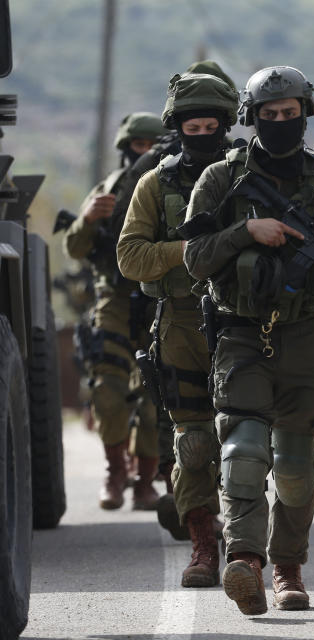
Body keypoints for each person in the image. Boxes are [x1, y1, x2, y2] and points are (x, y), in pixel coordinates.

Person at [181, 65, 314, 615]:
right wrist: (247, 231)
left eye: (290, 115)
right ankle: (245, 561)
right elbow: (194, 258)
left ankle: (289, 566)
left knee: (294, 465)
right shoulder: (220, 179)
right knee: (242, 451)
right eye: (270, 116)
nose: (282, 123)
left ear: (304, 115)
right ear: (252, 118)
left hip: (306, 335)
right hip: (240, 333)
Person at [118, 72, 239, 588]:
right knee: (192, 444)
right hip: (181, 322)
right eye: (194, 124)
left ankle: (248, 542)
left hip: (244, 322)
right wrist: (192, 253)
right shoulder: (155, 182)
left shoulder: (250, 175)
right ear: (178, 126)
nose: (203, 133)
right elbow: (129, 257)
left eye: (213, 125)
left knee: (247, 438)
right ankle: (203, 544)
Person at [63, 112, 168, 511]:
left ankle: (145, 480)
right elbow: (74, 249)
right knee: (107, 391)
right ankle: (115, 472)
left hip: (158, 297)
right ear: (127, 149)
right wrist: (88, 218)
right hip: (115, 299)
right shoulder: (107, 190)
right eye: (139, 146)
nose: (145, 153)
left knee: (155, 394)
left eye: (152, 146)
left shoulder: (173, 185)